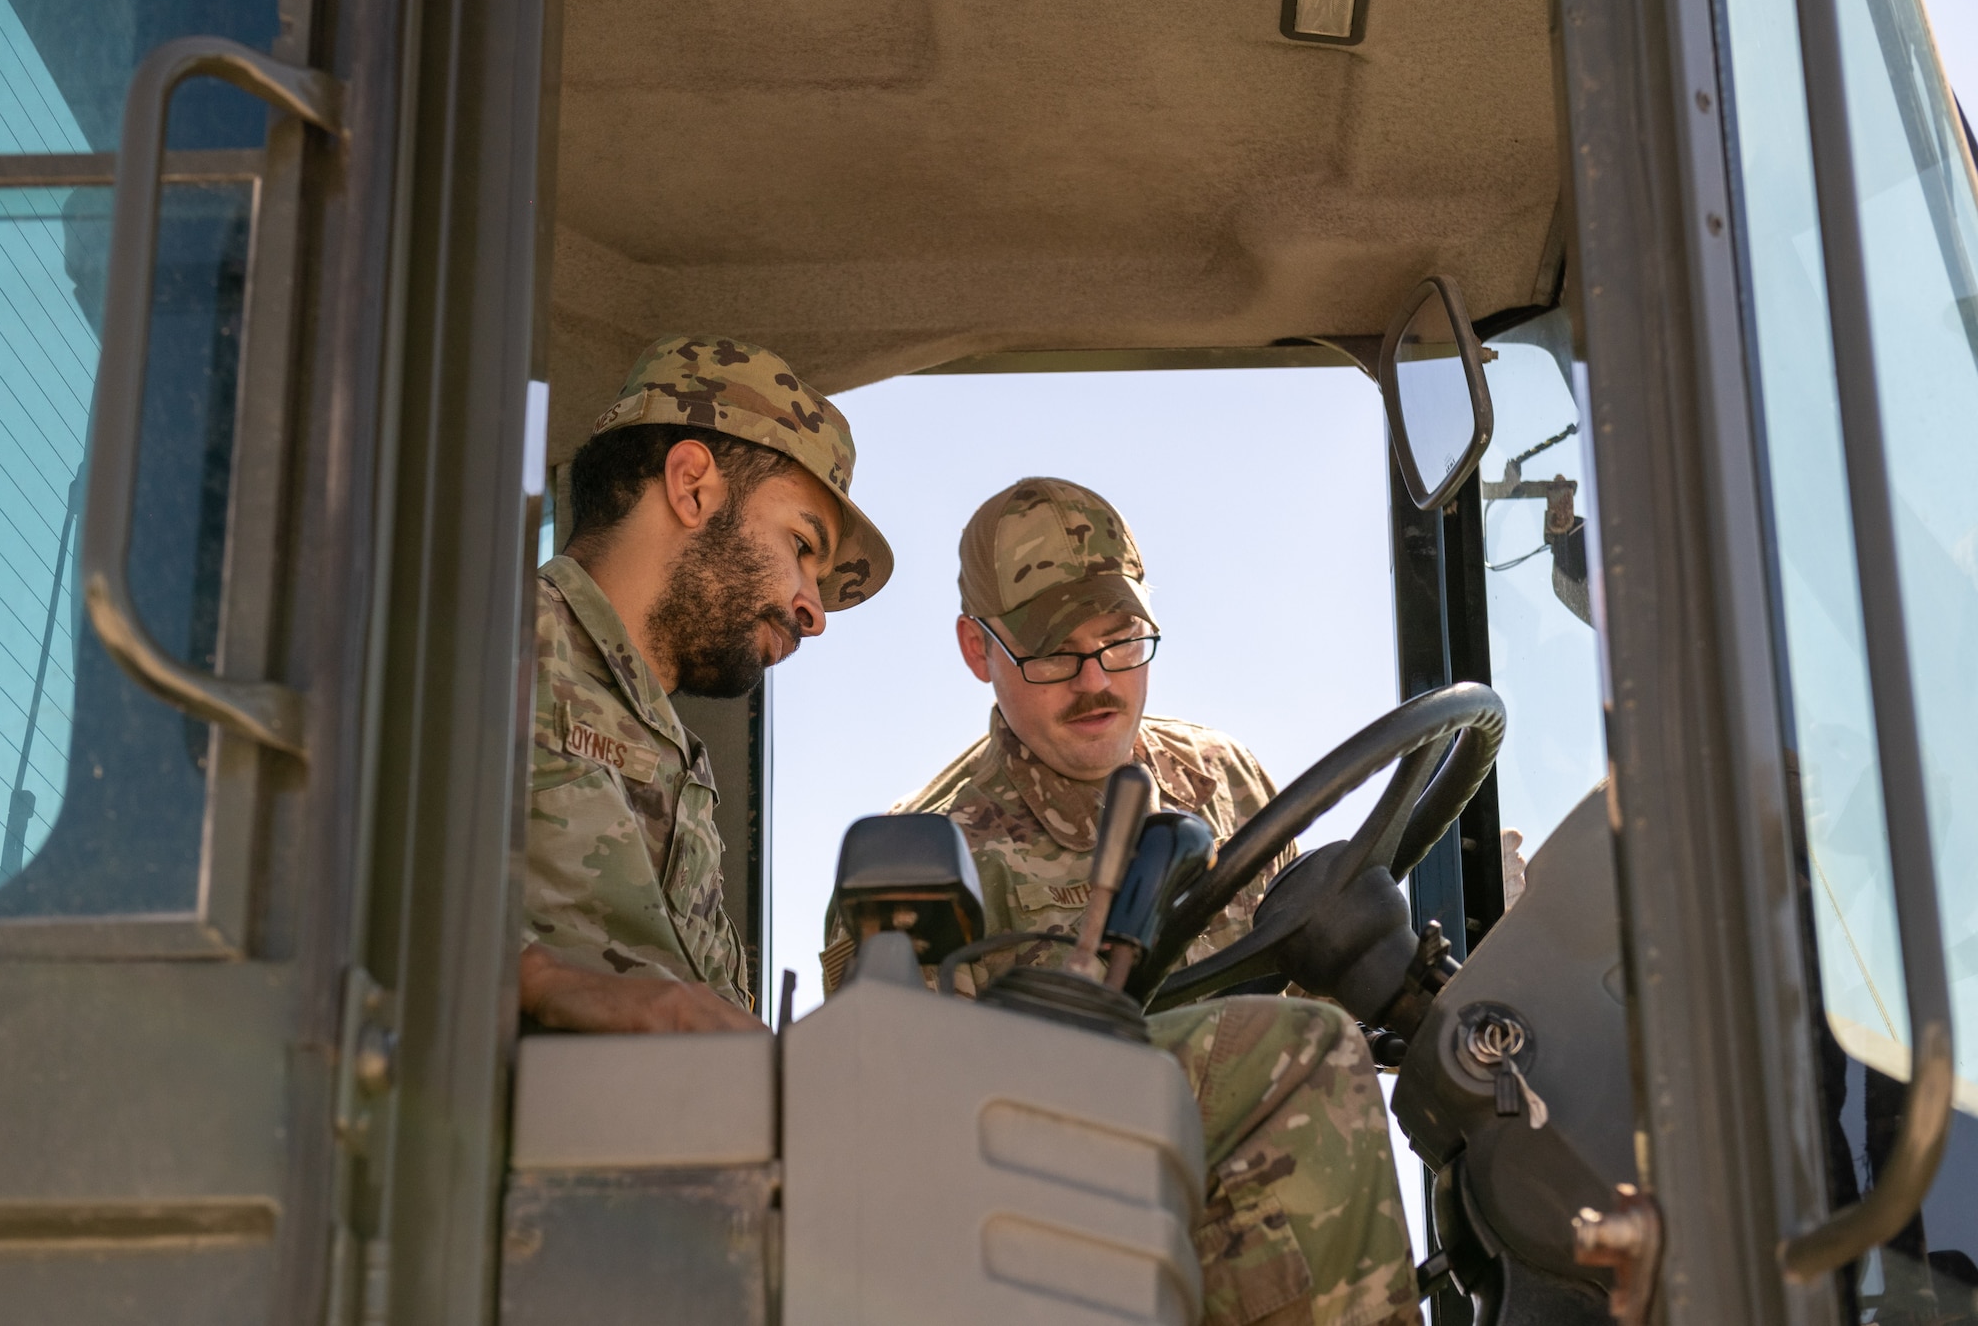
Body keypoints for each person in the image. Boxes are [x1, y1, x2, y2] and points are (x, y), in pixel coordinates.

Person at [826, 477, 1419, 1326]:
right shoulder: (921, 855)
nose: (1097, 679)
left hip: (1277, 1231)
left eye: (1122, 639)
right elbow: (900, 1147)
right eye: (1054, 652)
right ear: (975, 648)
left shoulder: (1227, 780)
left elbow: (1315, 974)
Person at [519, 335, 892, 1035]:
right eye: (803, 547)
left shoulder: (679, 763)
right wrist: (539, 982)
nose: (813, 611)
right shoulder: (482, 647)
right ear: (692, 485)